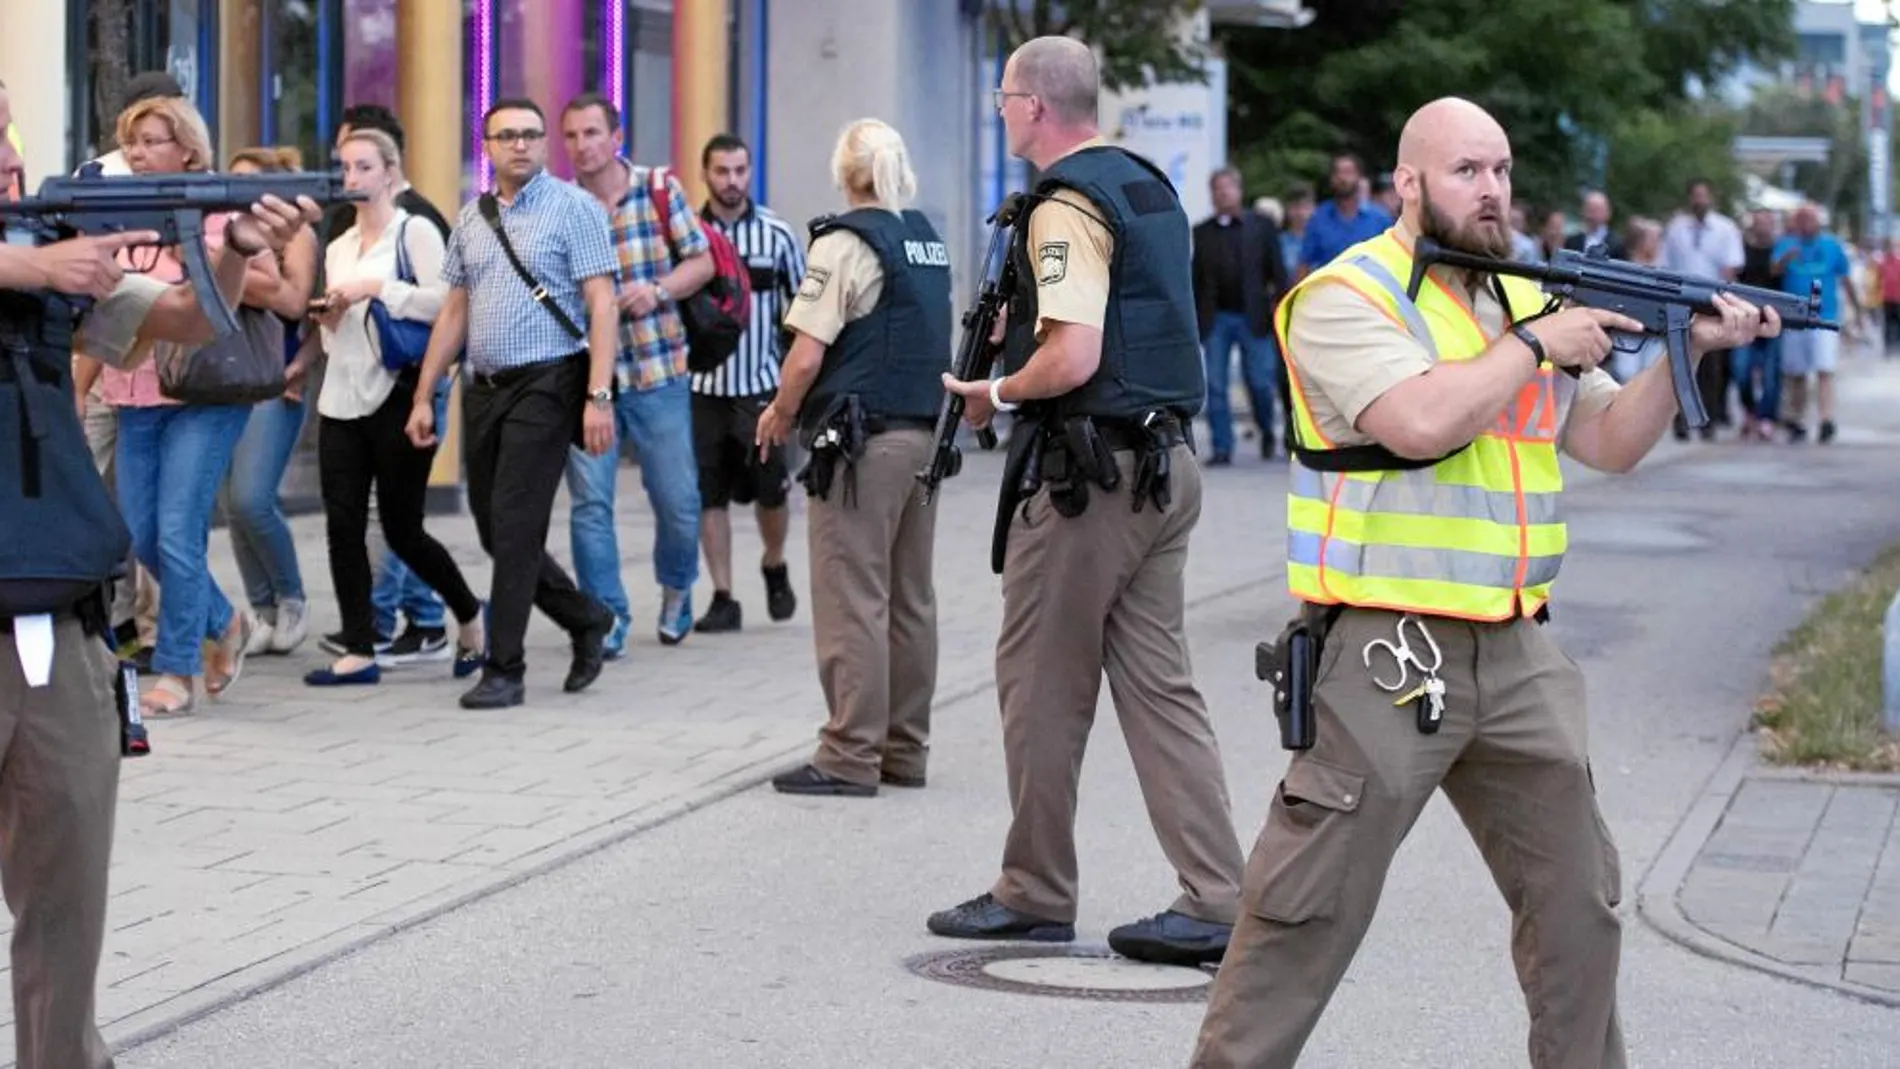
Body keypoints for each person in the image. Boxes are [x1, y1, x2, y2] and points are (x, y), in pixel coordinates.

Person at [1189, 97, 1777, 1069]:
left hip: (1515, 646)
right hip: (1385, 648)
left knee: (1579, 904)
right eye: (1466, 170)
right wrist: (1537, 345)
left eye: (1501, 169)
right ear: (1407, 183)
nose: (1493, 188)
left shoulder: (1517, 299)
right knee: (1304, 909)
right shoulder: (1349, 295)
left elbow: (1605, 441)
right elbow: (1418, 422)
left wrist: (1688, 355)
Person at [0, 77, 317, 1069]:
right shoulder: (39, 259)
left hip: (51, 626)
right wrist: (36, 259)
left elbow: (183, 319)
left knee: (65, 902)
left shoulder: (55, 278)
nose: (6, 165)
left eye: (8, 146)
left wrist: (229, 248)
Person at [931, 36, 1245, 967]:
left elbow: (1070, 354)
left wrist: (999, 391)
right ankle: (1221, 897)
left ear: (1032, 106)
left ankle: (1032, 890)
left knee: (1038, 682)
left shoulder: (1063, 207)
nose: (1000, 111)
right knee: (1161, 688)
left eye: (1003, 98)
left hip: (1089, 480)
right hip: (1163, 465)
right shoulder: (1147, 186)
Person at [405, 98, 619, 710]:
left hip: (549, 384)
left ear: (543, 143)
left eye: (530, 135)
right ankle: (585, 618)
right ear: (488, 146)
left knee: (518, 524)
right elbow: (454, 311)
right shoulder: (471, 219)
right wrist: (426, 393)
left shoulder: (574, 209)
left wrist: (597, 396)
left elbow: (601, 305)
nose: (520, 145)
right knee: (496, 530)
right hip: (484, 389)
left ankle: (505, 669)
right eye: (507, 136)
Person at [755, 118, 945, 797]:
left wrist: (779, 412)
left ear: (844, 170)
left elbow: (807, 352)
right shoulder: (924, 239)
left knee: (852, 597)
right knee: (910, 598)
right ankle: (903, 747)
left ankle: (848, 752)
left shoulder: (845, 242)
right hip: (925, 438)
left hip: (862, 445)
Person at [72, 95, 267, 716]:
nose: (137, 152)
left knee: (180, 533)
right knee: (143, 533)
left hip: (200, 390)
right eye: (132, 141)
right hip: (133, 392)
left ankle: (177, 670)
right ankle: (222, 620)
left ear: (187, 147)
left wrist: (178, 232)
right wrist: (81, 385)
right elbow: (102, 306)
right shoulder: (116, 207)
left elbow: (219, 293)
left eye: (153, 140)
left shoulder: (211, 204)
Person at [306, 128, 487, 687]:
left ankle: (469, 614)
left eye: (364, 167)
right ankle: (359, 647)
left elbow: (447, 306)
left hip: (399, 392)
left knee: (403, 528)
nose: (352, 179)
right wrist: (332, 316)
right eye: (346, 169)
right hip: (340, 395)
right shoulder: (337, 246)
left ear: (390, 172)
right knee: (341, 525)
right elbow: (339, 339)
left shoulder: (416, 232)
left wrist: (378, 289)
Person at [557, 92, 712, 655]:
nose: (581, 146)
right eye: (571, 136)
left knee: (676, 498)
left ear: (616, 138)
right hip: (588, 377)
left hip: (656, 368)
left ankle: (676, 588)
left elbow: (703, 262)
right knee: (590, 502)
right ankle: (606, 615)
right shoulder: (561, 204)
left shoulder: (658, 189)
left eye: (592, 133)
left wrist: (657, 290)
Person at [692, 132, 804, 632]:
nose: (731, 181)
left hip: (760, 391)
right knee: (707, 496)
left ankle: (774, 562)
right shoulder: (689, 236)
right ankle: (722, 595)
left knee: (772, 493)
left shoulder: (777, 235)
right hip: (701, 391)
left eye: (740, 170)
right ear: (706, 174)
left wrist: (794, 384)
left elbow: (802, 311)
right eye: (722, 171)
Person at [219, 146, 319, 657]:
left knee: (252, 498)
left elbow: (293, 301)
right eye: (230, 181)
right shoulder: (219, 232)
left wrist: (236, 278)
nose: (236, 193)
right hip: (223, 379)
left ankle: (292, 596)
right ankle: (261, 610)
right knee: (234, 506)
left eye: (247, 183)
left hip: (276, 380)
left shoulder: (295, 234)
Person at [1192, 165, 1288, 465]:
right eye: (1217, 189)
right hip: (1216, 318)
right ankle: (1222, 447)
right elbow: (1196, 278)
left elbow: (1278, 272)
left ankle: (1267, 429)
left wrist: (1280, 310)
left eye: (1228, 187)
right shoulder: (1202, 232)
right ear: (1212, 195)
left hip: (1253, 316)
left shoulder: (1261, 226)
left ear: (1239, 190)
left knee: (1260, 382)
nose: (1223, 193)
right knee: (1217, 385)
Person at [1774, 203, 1858, 444]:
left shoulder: (1832, 245)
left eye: (1810, 219)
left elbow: (1846, 278)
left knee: (1824, 369)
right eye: (1802, 219)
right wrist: (1784, 260)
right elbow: (1773, 270)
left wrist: (1857, 312)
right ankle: (1797, 419)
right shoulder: (1786, 244)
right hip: (1794, 317)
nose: (1806, 223)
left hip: (1824, 316)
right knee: (1796, 373)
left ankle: (1825, 419)